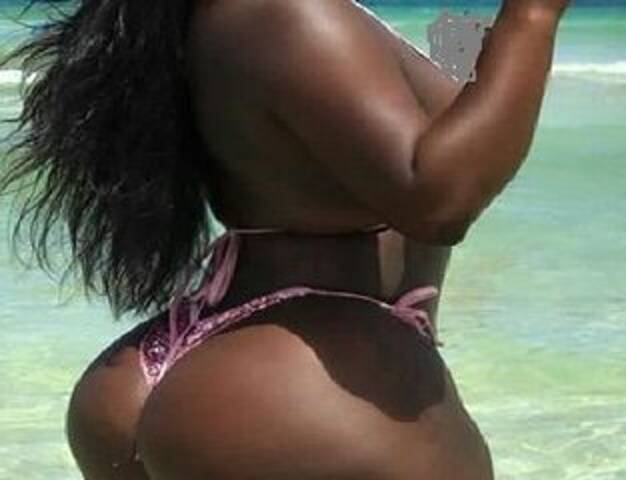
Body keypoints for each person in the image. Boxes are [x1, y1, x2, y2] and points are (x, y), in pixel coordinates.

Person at [0, 0, 571, 478]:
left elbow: (434, 145)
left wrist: (471, 57)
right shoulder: (286, 11)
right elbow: (437, 201)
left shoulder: (239, 16)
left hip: (207, 356)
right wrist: (533, 14)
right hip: (303, 379)